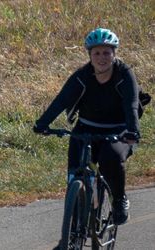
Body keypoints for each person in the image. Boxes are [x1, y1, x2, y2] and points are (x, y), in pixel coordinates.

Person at [34, 28, 141, 229]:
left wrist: (132, 131)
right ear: (90, 55)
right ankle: (73, 231)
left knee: (111, 159)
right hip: (85, 130)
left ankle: (119, 200)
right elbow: (61, 100)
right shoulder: (82, 76)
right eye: (97, 53)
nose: (102, 58)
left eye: (106, 52)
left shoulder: (124, 74)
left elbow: (132, 104)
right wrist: (42, 124)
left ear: (114, 54)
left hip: (118, 131)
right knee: (75, 174)